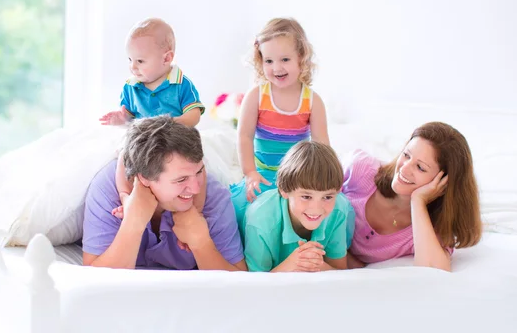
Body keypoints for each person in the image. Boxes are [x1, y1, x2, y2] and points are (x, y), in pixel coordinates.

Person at [82, 116, 246, 271]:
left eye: (199, 172)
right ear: (144, 178)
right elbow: (93, 275)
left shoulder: (215, 197)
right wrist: (133, 223)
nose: (196, 188)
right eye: (181, 180)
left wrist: (201, 243)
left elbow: (242, 284)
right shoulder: (108, 188)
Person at [98, 18, 205, 219]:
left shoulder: (181, 84)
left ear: (166, 58)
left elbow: (194, 115)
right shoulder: (131, 86)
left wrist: (169, 124)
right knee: (123, 157)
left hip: (174, 138)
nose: (133, 67)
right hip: (143, 140)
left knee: (196, 166)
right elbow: (130, 116)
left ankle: (194, 211)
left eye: (140, 61)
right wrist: (121, 118)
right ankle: (126, 198)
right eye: (130, 60)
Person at [231, 18, 330, 231]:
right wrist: (250, 173)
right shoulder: (256, 96)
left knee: (324, 211)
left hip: (298, 178)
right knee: (239, 208)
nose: (276, 68)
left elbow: (322, 147)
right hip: (263, 174)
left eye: (285, 59)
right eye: (268, 61)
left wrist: (323, 181)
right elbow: (244, 137)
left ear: (301, 57)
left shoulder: (313, 101)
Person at [343, 122, 482, 272]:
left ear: (444, 183)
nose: (405, 168)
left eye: (420, 167)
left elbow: (434, 272)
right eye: (406, 155)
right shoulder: (360, 169)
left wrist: (418, 201)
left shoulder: (429, 227)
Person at [242, 141, 354, 272]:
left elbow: (340, 271)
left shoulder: (338, 209)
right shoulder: (260, 221)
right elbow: (255, 285)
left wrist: (320, 266)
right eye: (306, 197)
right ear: (284, 190)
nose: (316, 208)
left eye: (327, 197)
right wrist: (291, 264)